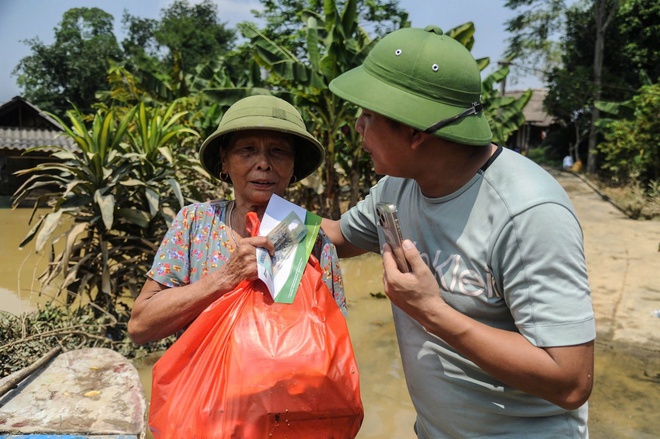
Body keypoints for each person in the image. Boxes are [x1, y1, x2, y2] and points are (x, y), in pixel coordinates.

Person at [321, 25, 595, 438]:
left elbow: (571, 381)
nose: (357, 127)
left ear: (415, 132)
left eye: (369, 116)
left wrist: (431, 311)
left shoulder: (527, 213)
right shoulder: (397, 186)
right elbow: (337, 237)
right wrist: (250, 210)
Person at [128, 94, 347, 345]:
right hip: (205, 382)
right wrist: (226, 277)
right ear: (224, 160)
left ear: (294, 166)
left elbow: (331, 343)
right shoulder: (194, 223)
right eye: (247, 150)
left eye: (278, 151)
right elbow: (140, 327)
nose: (263, 163)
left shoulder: (311, 237)